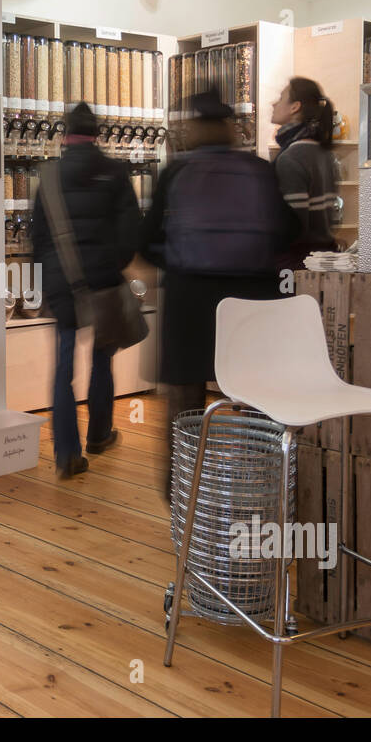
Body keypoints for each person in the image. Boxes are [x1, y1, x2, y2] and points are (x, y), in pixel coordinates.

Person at [141, 89, 295, 499]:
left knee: (185, 409)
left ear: (193, 128)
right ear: (231, 129)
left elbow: (146, 239)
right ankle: (253, 489)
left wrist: (170, 261)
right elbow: (291, 234)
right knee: (250, 400)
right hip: (250, 305)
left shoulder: (177, 173)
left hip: (189, 302)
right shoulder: (259, 170)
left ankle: (182, 496)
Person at [30, 103, 140, 479]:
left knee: (63, 369)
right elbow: (131, 232)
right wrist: (112, 266)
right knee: (102, 359)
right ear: (98, 135)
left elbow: (37, 238)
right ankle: (98, 434)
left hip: (63, 285)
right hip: (104, 283)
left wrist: (49, 280)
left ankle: (66, 454)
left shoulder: (48, 176)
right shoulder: (115, 172)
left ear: (64, 136)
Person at [270, 76, 341, 268]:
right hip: (324, 258)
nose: (273, 103)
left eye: (281, 97)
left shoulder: (291, 157)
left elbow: (292, 226)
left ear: (295, 107)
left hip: (298, 264)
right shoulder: (323, 152)